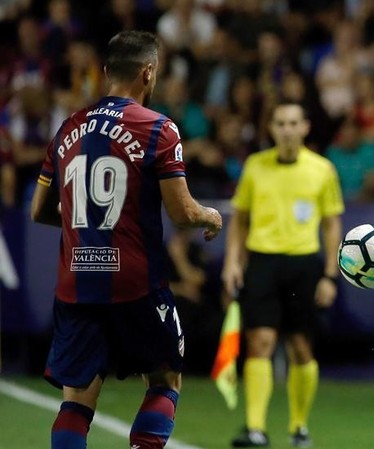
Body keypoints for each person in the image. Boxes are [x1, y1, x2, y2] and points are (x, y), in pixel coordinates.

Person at [30, 31, 223, 449]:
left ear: (105, 72)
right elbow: (182, 212)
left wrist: (84, 221)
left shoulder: (68, 127)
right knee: (164, 378)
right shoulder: (158, 128)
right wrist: (210, 216)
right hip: (135, 283)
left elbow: (39, 211)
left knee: (76, 401)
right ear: (148, 72)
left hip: (77, 282)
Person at [222, 101, 344, 448]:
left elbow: (332, 224)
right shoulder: (255, 166)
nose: (287, 129)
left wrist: (330, 275)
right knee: (259, 342)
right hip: (262, 261)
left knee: (301, 348)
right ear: (272, 128)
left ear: (305, 127)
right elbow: (240, 219)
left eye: (293, 123)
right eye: (280, 123)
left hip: (303, 264)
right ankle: (255, 428)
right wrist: (232, 263)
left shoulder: (322, 169)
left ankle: (299, 426)